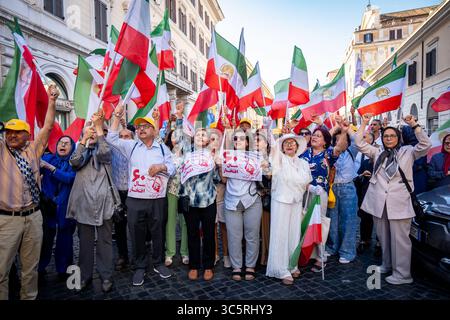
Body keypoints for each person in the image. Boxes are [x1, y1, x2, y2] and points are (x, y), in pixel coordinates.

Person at [354, 114, 431, 285]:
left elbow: (426, 144)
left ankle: (403, 274)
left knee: (400, 239)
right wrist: (364, 123)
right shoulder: (377, 152)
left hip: (400, 203)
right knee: (383, 236)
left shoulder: (408, 152)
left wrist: (414, 124)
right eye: (386, 136)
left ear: (398, 138)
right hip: (379, 203)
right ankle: (387, 264)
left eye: (392, 136)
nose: (389, 139)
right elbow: (359, 143)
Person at [0, 84, 59, 300]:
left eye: (17, 132)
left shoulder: (34, 149)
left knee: (30, 269)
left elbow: (49, 126)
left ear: (27, 134)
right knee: (1, 272)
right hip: (7, 221)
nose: (12, 136)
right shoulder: (1, 151)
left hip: (34, 216)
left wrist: (52, 102)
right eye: (9, 132)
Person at [106, 103, 175, 286]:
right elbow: (111, 138)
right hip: (135, 199)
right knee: (136, 233)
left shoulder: (162, 149)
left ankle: (158, 263)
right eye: (138, 127)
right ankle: (139, 267)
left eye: (145, 126)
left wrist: (162, 167)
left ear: (154, 130)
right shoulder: (132, 146)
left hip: (157, 199)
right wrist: (116, 117)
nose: (141, 129)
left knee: (158, 231)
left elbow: (173, 167)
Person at [66, 111, 117, 293]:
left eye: (96, 131)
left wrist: (98, 127)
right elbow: (74, 162)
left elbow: (105, 155)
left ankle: (106, 276)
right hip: (84, 204)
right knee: (85, 244)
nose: (93, 133)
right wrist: (83, 141)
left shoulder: (106, 148)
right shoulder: (82, 149)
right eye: (90, 131)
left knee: (105, 243)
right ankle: (84, 276)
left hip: (104, 203)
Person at [298, 124, 345, 272]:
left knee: (319, 222)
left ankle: (320, 256)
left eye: (318, 136)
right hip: (303, 191)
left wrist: (343, 130)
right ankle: (305, 253)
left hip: (320, 193)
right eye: (314, 135)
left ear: (325, 141)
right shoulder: (304, 152)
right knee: (303, 221)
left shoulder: (328, 153)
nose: (314, 137)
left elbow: (341, 147)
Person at [266, 134, 311, 285]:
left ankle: (292, 265)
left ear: (297, 147)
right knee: (281, 233)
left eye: (292, 143)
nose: (290, 145)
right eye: (286, 143)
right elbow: (272, 149)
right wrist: (272, 131)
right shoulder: (278, 159)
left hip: (296, 201)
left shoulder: (303, 163)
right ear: (282, 147)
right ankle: (280, 269)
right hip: (281, 200)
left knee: (294, 232)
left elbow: (305, 181)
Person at [179, 128, 221, 281]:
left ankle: (208, 266)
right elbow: (179, 172)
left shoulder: (212, 154)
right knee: (192, 234)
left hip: (208, 199)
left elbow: (217, 179)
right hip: (190, 201)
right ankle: (194, 266)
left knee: (209, 234)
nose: (200, 136)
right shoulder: (186, 153)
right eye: (197, 134)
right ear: (193, 138)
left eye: (204, 135)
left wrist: (216, 164)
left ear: (208, 140)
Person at [223, 129, 262, 281]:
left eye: (241, 139)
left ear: (247, 143)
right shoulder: (227, 157)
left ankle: (250, 266)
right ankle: (237, 266)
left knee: (252, 235)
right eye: (235, 139)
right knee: (234, 236)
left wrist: (264, 164)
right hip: (232, 200)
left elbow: (265, 174)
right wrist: (221, 167)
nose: (237, 141)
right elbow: (224, 180)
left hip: (252, 199)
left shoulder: (256, 157)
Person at [38, 136, 77, 282]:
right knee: (44, 239)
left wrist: (50, 168)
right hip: (47, 205)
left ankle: (64, 269)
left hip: (66, 206)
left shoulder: (74, 162)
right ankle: (40, 268)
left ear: (71, 147)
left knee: (65, 239)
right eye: (61, 142)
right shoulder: (48, 158)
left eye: (67, 143)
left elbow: (69, 178)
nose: (63, 145)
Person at [326, 122, 360, 264]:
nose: (341, 141)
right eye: (338, 139)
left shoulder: (352, 150)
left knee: (348, 220)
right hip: (332, 188)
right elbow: (326, 137)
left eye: (344, 139)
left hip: (347, 188)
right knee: (332, 220)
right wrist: (336, 128)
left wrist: (347, 130)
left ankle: (347, 251)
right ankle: (332, 247)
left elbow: (358, 140)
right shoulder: (330, 151)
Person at [109, 123, 134, 271]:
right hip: (117, 194)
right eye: (121, 137)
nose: (124, 139)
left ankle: (138, 255)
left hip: (133, 194)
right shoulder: (112, 150)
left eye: (127, 136)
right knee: (119, 227)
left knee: (136, 226)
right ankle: (123, 256)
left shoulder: (135, 150)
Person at [164, 126, 189, 267]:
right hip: (171, 191)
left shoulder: (189, 155)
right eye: (174, 136)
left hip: (185, 192)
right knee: (170, 222)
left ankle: (185, 252)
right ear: (170, 139)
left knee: (185, 222)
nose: (176, 139)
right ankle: (170, 253)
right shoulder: (166, 154)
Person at [209, 126, 230, 268]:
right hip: (209, 198)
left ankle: (226, 255)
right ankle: (215, 254)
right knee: (211, 227)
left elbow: (225, 180)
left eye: (214, 139)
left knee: (224, 227)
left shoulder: (224, 156)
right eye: (210, 139)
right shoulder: (203, 156)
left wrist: (220, 166)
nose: (212, 142)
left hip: (222, 197)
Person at [353, 132, 375, 254]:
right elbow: (356, 170)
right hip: (362, 188)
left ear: (371, 141)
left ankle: (379, 243)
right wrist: (360, 175)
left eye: (365, 137)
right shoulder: (358, 153)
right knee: (364, 215)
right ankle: (364, 239)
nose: (362, 139)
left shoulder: (377, 152)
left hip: (375, 189)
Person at [255, 129, 272, 266]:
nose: (255, 142)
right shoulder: (249, 156)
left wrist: (265, 166)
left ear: (266, 143)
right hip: (253, 196)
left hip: (267, 197)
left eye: (259, 140)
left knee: (267, 229)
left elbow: (270, 176)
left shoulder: (271, 157)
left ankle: (266, 256)